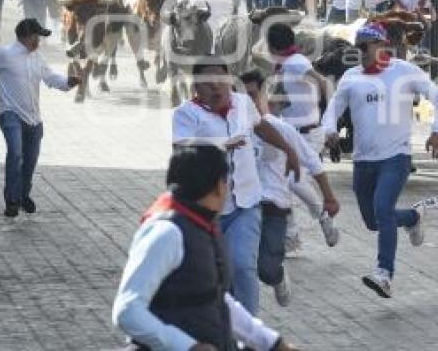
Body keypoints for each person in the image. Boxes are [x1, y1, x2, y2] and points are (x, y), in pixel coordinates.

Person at [112, 144, 299, 351]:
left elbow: (216, 300)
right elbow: (127, 310)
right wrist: (187, 346)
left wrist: (271, 342)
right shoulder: (166, 233)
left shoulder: (203, 227)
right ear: (220, 186)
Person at [321, 23, 438, 298]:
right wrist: (329, 131)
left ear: (382, 46)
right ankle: (414, 216)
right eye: (358, 47)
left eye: (365, 46)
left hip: (396, 157)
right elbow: (333, 108)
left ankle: (384, 274)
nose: (361, 52)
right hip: (363, 161)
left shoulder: (404, 71)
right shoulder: (351, 77)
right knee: (373, 221)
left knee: (383, 208)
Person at [172, 61, 301, 316]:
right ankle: (227, 328)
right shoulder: (186, 113)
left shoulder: (243, 103)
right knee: (218, 275)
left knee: (242, 266)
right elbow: (181, 146)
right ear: (196, 87)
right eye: (208, 84)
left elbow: (261, 127)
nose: (216, 88)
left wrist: (289, 150)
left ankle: (251, 333)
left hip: (246, 203)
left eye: (221, 81)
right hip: (208, 211)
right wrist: (220, 144)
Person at [0, 18, 80, 217]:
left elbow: (50, 78)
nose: (39, 41)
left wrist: (68, 81)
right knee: (15, 152)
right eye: (36, 37)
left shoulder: (37, 58)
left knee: (30, 160)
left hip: (34, 118)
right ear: (26, 36)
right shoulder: (4, 54)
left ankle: (23, 195)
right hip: (10, 113)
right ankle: (12, 199)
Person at [239, 70, 340, 306]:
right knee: (239, 263)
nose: (249, 102)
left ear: (264, 95)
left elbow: (312, 163)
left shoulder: (281, 129)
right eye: (242, 96)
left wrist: (329, 198)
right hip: (243, 207)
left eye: (253, 95)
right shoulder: (232, 128)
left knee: (267, 268)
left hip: (275, 206)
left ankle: (277, 275)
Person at [266, 23, 337, 252]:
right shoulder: (284, 65)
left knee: (291, 181)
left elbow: (323, 82)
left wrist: (330, 120)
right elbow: (282, 102)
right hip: (289, 133)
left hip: (308, 134)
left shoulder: (296, 63)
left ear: (272, 45)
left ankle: (322, 217)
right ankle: (291, 235)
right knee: (283, 183)